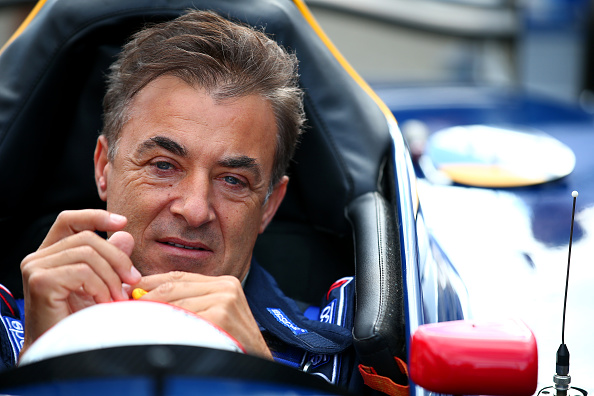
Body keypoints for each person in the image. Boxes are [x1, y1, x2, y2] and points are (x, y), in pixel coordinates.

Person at [13, 9, 373, 392]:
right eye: (164, 165)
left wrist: (266, 380)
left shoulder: (342, 360)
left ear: (269, 205)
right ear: (104, 168)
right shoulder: (12, 337)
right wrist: (35, 363)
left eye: (232, 180)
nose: (195, 209)